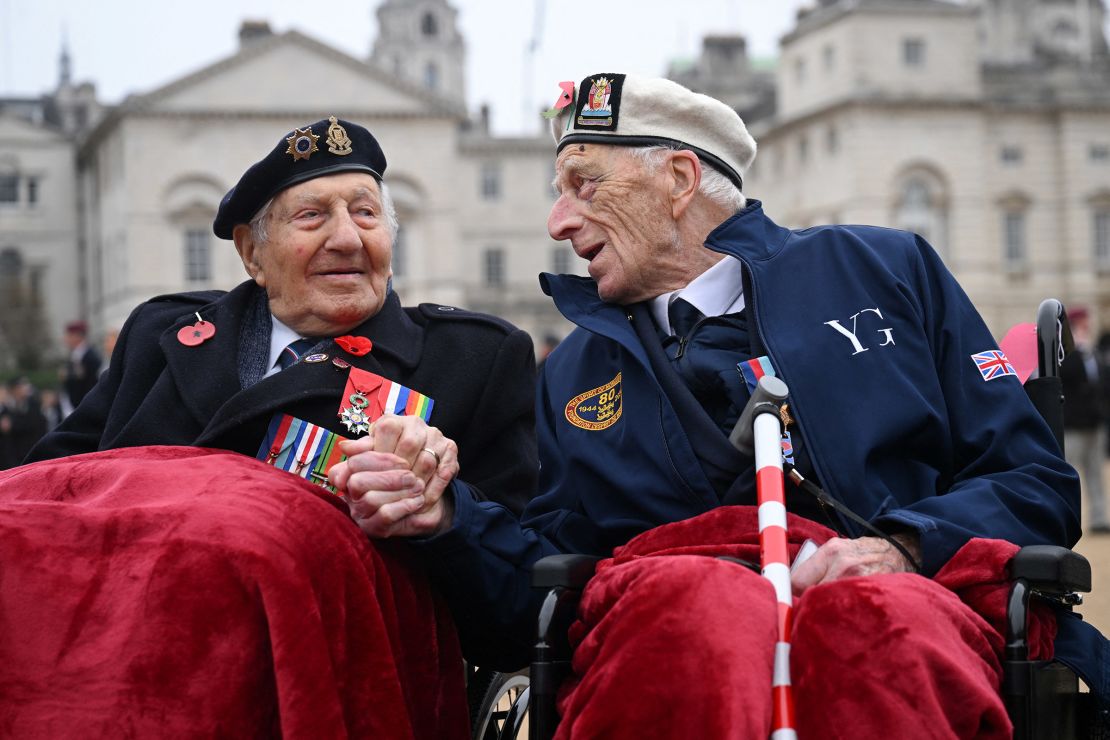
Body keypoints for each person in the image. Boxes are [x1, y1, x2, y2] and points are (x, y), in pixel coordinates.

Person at [335, 74, 1104, 737]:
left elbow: (1035, 485)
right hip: (672, 630)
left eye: (584, 184)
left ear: (677, 179)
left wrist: (904, 548)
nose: (557, 222)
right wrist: (446, 521)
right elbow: (538, 585)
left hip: (904, 611)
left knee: (875, 628)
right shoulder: (569, 371)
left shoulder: (886, 269)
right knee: (691, 619)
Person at [8, 116, 538, 738]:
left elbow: (520, 607)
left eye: (366, 214)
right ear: (252, 253)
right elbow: (49, 494)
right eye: (312, 217)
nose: (347, 238)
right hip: (104, 677)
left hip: (308, 696)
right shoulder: (160, 338)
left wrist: (444, 515)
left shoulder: (471, 359)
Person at [1062, 305, 1110, 533]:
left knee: (1095, 473)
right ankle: (1070, 520)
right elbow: (1065, 379)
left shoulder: (1095, 353)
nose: (1086, 328)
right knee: (1071, 473)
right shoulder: (1066, 354)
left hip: (1094, 423)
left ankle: (1099, 518)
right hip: (1072, 425)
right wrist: (1076, 351)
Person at [59, 320, 102, 415]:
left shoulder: (91, 357)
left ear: (77, 336)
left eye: (69, 335)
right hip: (74, 407)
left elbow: (91, 385)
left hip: (85, 410)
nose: (65, 339)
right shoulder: (75, 355)